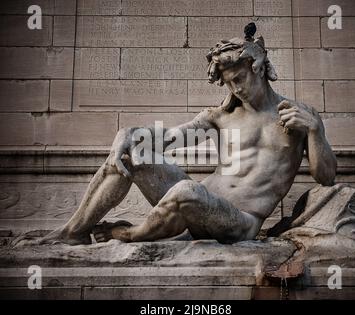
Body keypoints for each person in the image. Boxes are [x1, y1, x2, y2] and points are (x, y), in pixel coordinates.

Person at [41, 23, 336, 245]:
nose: (236, 89)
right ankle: (73, 233)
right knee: (134, 151)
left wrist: (314, 131)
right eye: (229, 84)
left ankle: (129, 233)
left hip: (240, 223)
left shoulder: (299, 116)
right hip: (200, 205)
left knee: (187, 192)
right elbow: (169, 137)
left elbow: (326, 178)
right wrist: (128, 134)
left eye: (239, 79)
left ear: (257, 67)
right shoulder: (221, 116)